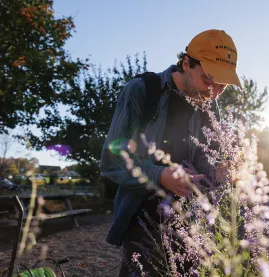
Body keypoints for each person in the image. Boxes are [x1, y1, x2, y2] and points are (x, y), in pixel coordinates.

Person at [100, 29, 242, 276]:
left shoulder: (210, 105)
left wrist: (218, 171)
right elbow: (112, 161)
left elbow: (205, 157)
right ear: (186, 63)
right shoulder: (142, 91)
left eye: (223, 86)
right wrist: (160, 175)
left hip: (192, 221)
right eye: (209, 80)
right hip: (141, 217)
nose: (214, 93)